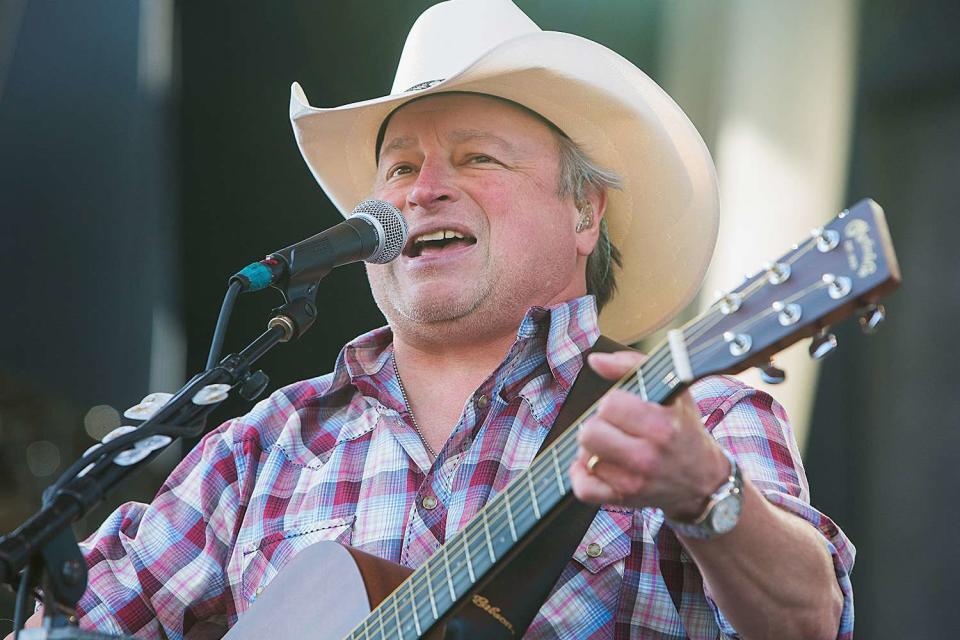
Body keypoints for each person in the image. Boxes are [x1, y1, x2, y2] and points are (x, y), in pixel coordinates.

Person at [15, 1, 853, 638]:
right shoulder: (260, 447)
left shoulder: (691, 419)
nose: (422, 189)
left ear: (585, 211)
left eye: (477, 157)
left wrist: (705, 493)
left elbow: (811, 620)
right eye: (401, 166)